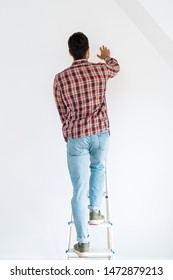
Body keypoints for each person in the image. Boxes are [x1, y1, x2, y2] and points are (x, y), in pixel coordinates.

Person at [53, 32, 120, 257]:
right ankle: (95, 210)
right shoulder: (100, 69)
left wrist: (68, 132)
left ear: (70, 52)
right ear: (88, 51)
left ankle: (82, 243)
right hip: (100, 133)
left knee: (79, 189)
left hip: (77, 137)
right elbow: (115, 67)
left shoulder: (60, 78)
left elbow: (62, 112)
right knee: (98, 168)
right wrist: (107, 57)